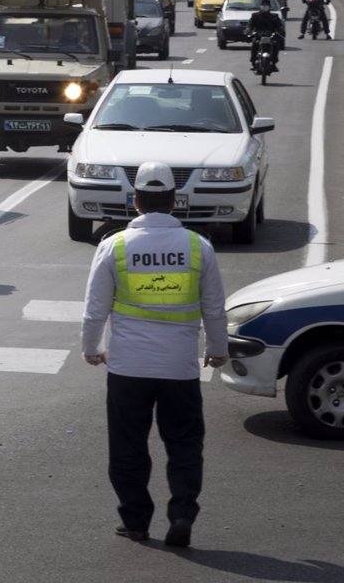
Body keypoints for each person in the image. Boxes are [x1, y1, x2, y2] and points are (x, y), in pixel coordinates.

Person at [81, 161, 228, 549]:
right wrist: (217, 350)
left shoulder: (115, 246)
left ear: (135, 201)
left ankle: (135, 522)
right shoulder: (198, 247)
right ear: (175, 202)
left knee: (128, 445)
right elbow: (214, 308)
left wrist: (90, 348)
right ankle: (181, 513)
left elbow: (95, 308)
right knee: (183, 443)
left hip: (129, 367)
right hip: (180, 367)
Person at [247, 0, 284, 71]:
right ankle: (253, 62)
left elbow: (279, 26)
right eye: (263, 6)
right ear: (260, 7)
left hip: (270, 35)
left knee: (276, 46)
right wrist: (248, 31)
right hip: (258, 35)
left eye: (266, 6)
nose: (264, 7)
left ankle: (273, 63)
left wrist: (280, 31)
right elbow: (250, 25)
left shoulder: (274, 16)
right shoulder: (255, 16)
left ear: (269, 7)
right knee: (254, 45)